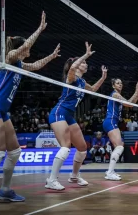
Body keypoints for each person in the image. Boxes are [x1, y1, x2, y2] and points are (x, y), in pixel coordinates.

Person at [0, 11, 60, 210]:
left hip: (3, 112)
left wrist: (51, 56)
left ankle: (5, 190)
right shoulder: (8, 58)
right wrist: (40, 29)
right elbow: (25, 46)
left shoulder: (19, 64)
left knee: (15, 151)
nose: (28, 50)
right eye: (25, 48)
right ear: (19, 48)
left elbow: (34, 65)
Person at [46, 41, 107, 190]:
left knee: (82, 148)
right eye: (84, 62)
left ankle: (74, 176)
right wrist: (85, 54)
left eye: (85, 61)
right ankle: (51, 180)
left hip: (69, 116)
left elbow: (92, 90)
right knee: (66, 147)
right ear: (78, 65)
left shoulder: (81, 81)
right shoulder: (71, 77)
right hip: (59, 113)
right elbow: (72, 66)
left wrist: (103, 77)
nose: (85, 64)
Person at [103, 78, 138, 180]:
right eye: (117, 83)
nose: (120, 84)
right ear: (113, 86)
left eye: (121, 83)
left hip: (113, 122)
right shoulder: (115, 94)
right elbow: (128, 104)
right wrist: (136, 93)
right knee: (119, 147)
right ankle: (110, 172)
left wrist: (137, 93)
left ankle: (110, 171)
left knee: (119, 146)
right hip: (110, 121)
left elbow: (131, 104)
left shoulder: (117, 95)